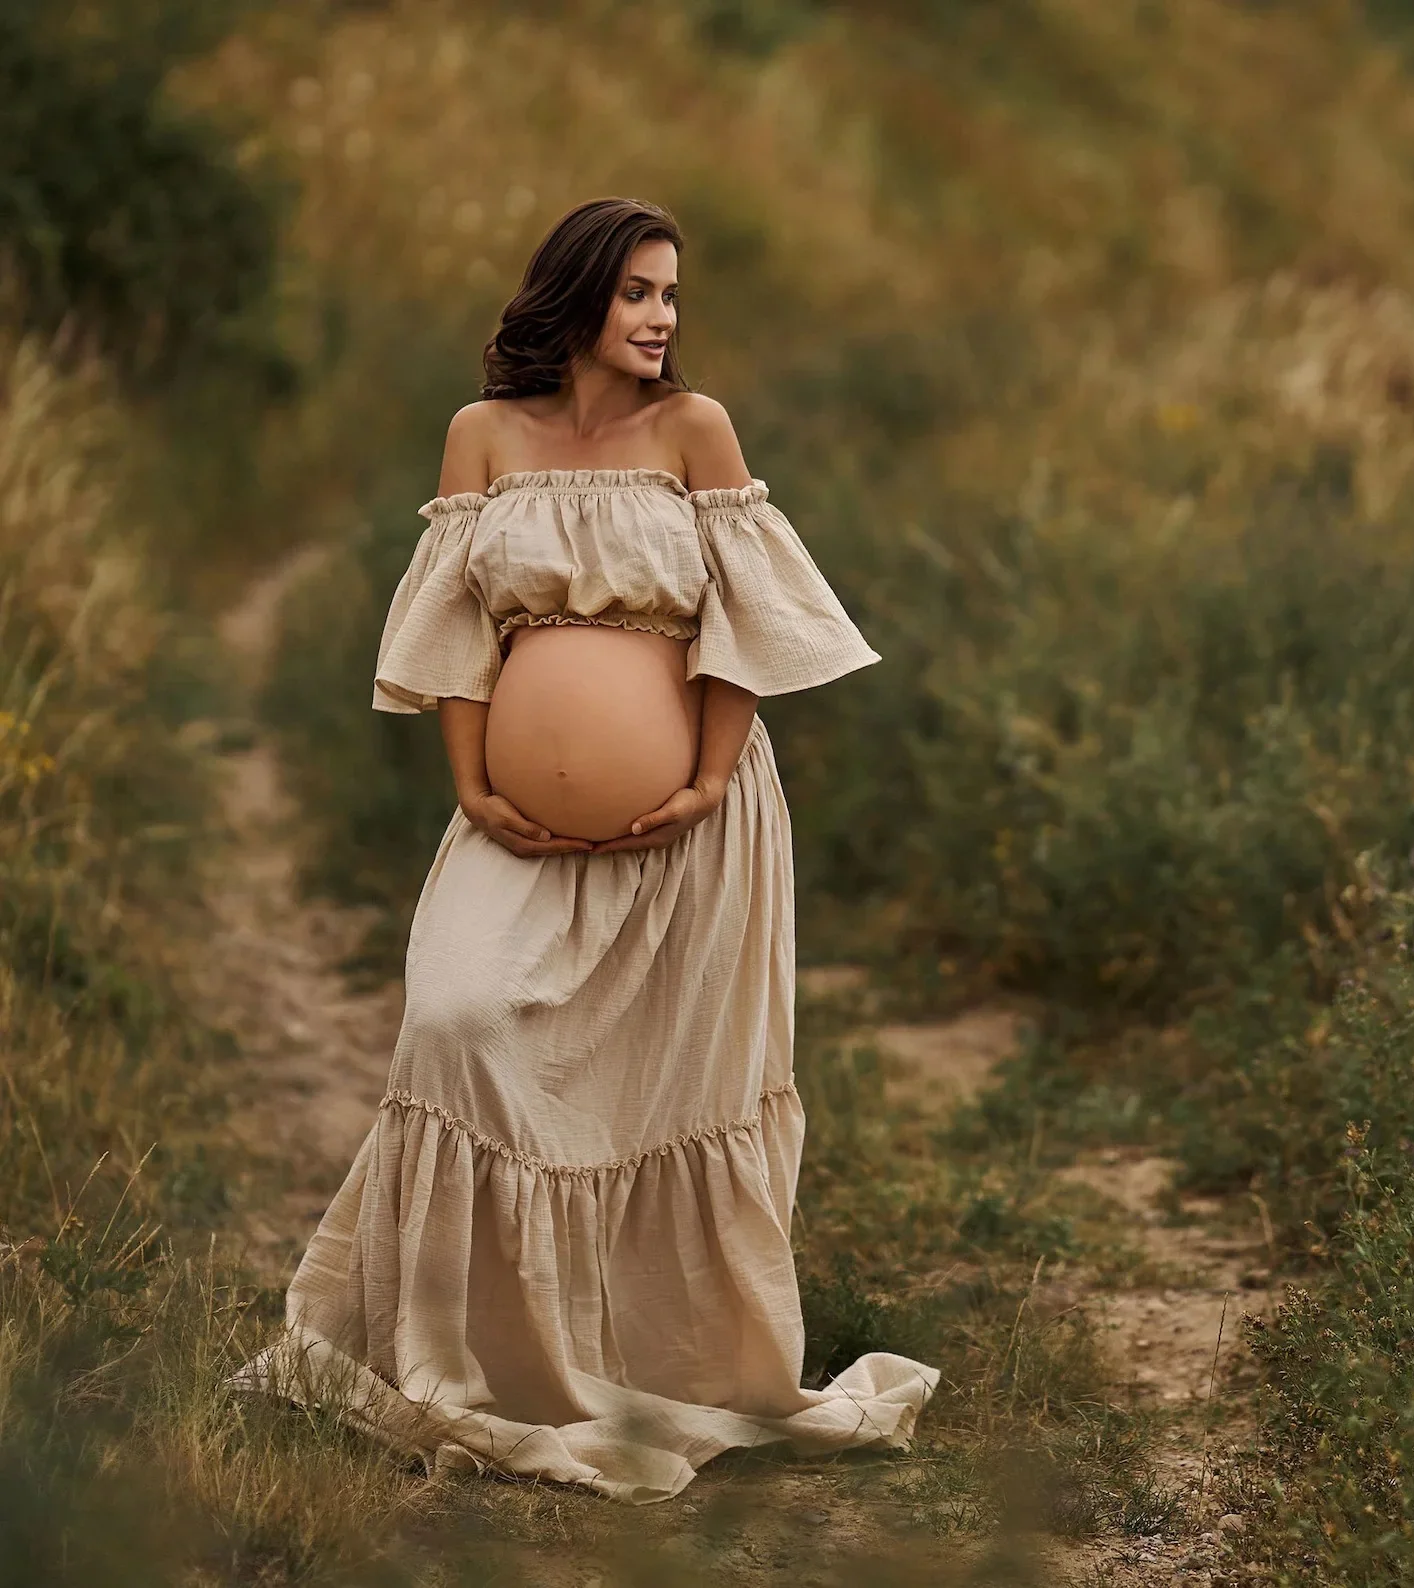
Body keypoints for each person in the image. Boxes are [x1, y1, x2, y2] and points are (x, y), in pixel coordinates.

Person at [232, 196, 939, 1503]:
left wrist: (708, 775)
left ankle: (645, 1353)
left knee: (654, 1094)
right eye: (639, 295)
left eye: (672, 295)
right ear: (576, 301)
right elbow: (454, 636)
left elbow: (748, 621)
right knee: (458, 1022)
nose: (664, 318)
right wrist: (475, 786)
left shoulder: (696, 431)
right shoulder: (482, 435)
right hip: (508, 828)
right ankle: (474, 1355)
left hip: (693, 835)